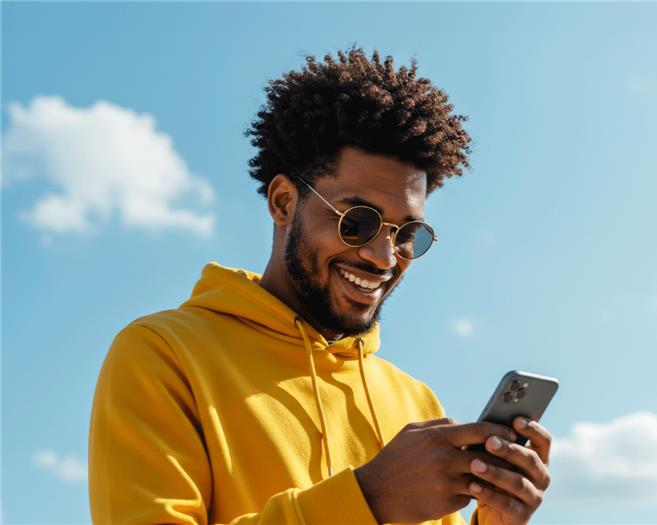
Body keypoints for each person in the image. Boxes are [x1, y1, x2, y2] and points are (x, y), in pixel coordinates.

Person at [88, 47, 552, 525]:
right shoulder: (163, 355)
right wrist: (368, 500)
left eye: (407, 234)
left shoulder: (416, 402)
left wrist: (491, 521)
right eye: (357, 221)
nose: (383, 257)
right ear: (284, 202)